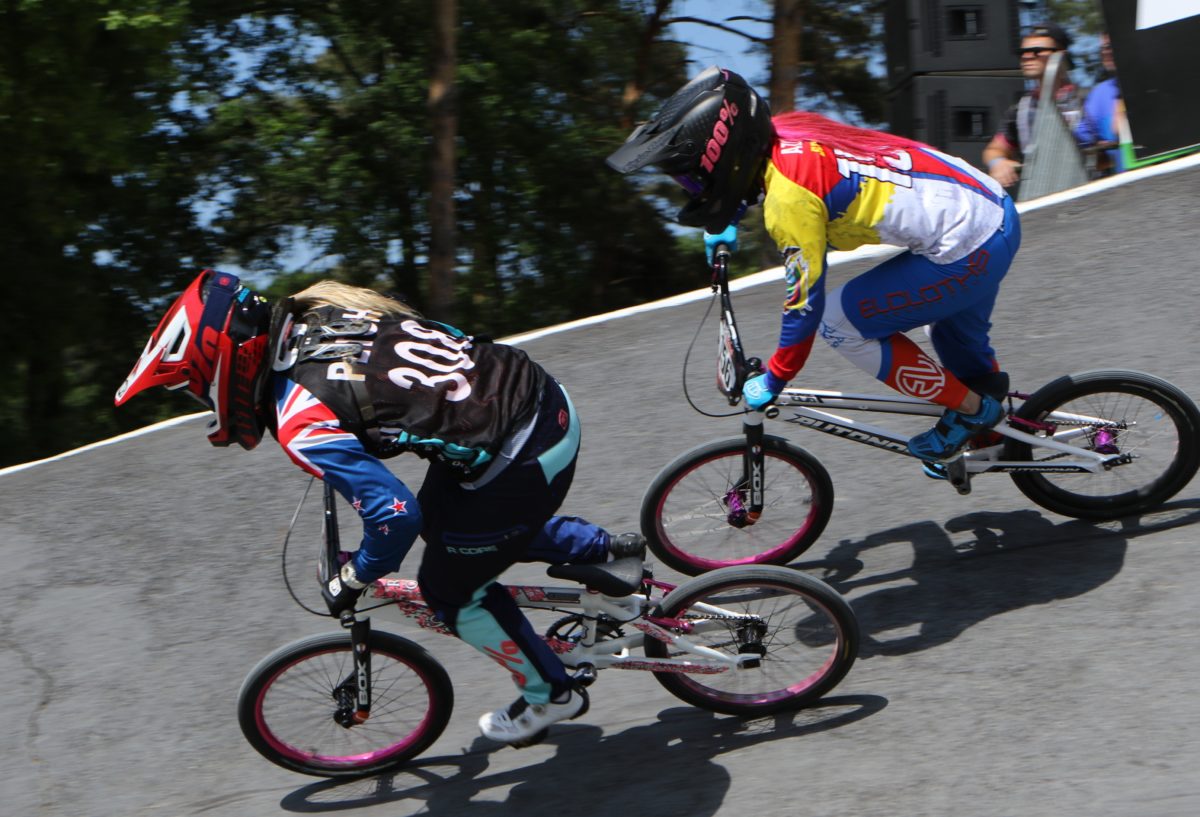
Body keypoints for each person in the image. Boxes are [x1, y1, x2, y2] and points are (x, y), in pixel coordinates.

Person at [114, 272, 646, 745]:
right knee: (446, 522)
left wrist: (356, 575)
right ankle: (605, 555)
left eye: (195, 389)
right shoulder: (321, 307)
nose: (203, 402)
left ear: (224, 365)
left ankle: (551, 693)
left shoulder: (301, 418)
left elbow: (393, 516)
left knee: (450, 590)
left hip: (523, 451)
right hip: (537, 395)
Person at [606, 66, 1021, 468]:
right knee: (955, 346)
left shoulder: (788, 203)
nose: (694, 191)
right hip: (988, 209)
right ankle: (1003, 432)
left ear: (723, 158)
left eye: (695, 180)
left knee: (841, 322)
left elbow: (804, 305)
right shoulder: (789, 131)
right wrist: (726, 219)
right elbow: (758, 179)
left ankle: (971, 414)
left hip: (968, 244)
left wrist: (775, 377)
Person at [982, 22, 1084, 189]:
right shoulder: (1019, 110)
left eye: (1037, 51)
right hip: (1041, 197)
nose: (1026, 57)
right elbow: (993, 150)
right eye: (1022, 52)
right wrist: (998, 162)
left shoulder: (1086, 101)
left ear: (1061, 55)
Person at [1074, 33, 1125, 177]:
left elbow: (1117, 128)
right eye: (1103, 48)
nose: (1105, 52)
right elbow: (1082, 143)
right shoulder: (1099, 93)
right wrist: (1097, 150)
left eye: (1110, 46)